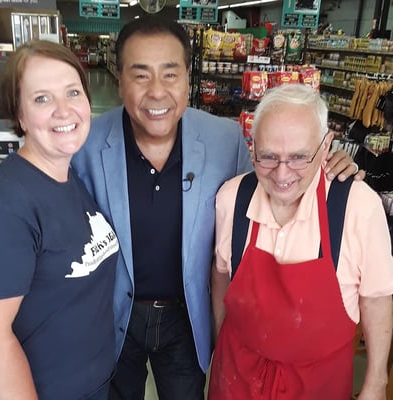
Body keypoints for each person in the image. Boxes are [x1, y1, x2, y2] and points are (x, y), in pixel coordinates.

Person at [71, 16, 364, 400]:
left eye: (170, 74)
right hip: (111, 317)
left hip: (187, 316)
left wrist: (324, 171)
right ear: (119, 78)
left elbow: (275, 189)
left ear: (188, 78)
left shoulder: (225, 139)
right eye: (140, 75)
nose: (156, 92)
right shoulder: (86, 144)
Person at [209, 83, 393, 400]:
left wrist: (376, 381)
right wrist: (218, 346)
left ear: (325, 148)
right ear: (251, 147)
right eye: (268, 156)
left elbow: (376, 298)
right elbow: (221, 274)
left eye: (298, 157)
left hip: (319, 382)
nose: (282, 175)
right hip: (237, 375)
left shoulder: (358, 207)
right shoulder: (232, 198)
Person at [0, 40, 119, 400]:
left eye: (72, 92)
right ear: (19, 115)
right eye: (42, 99)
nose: (64, 111)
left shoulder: (68, 175)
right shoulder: (10, 201)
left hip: (93, 383)